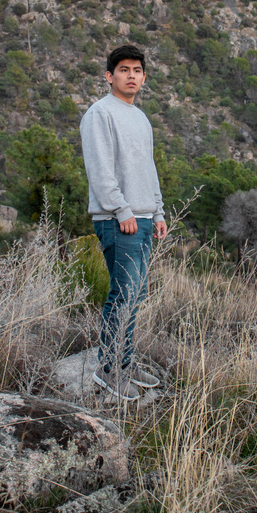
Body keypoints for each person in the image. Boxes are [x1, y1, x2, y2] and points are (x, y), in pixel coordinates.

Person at [80, 44, 167, 401]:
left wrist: (157, 212)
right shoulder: (100, 114)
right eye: (123, 70)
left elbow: (148, 169)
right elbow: (99, 170)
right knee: (124, 293)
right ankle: (109, 370)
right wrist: (122, 210)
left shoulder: (141, 118)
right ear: (109, 76)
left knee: (136, 293)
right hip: (120, 220)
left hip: (144, 218)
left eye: (137, 70)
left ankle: (125, 362)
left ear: (143, 77)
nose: (131, 76)